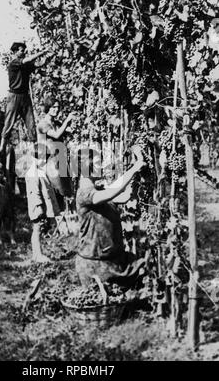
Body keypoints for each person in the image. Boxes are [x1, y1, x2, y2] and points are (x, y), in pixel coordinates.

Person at [75, 145, 148, 288]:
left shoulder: (97, 189)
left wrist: (135, 171)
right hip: (95, 266)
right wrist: (134, 168)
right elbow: (112, 193)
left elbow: (123, 194)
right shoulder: (84, 193)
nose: (101, 166)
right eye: (97, 163)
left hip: (112, 261)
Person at [0, 42, 50, 154]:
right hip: (14, 96)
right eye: (21, 50)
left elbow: (39, 64)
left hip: (25, 96)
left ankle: (35, 148)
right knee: (9, 123)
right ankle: (1, 148)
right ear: (15, 52)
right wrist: (42, 52)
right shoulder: (14, 63)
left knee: (30, 123)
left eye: (24, 50)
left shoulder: (25, 64)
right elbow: (28, 60)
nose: (24, 52)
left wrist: (49, 55)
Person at [25, 144, 61, 263]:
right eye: (40, 158)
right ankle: (37, 254)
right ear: (33, 158)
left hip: (42, 206)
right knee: (37, 229)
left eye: (45, 159)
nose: (43, 161)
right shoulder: (32, 173)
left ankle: (37, 254)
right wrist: (39, 209)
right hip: (37, 208)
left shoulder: (40, 171)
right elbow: (34, 193)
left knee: (39, 229)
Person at [37, 98, 75, 201]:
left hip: (61, 160)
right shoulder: (42, 124)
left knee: (67, 191)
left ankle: (69, 214)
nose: (57, 109)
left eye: (58, 107)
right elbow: (56, 135)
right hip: (50, 162)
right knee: (58, 192)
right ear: (47, 108)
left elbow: (67, 131)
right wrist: (67, 120)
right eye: (54, 107)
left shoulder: (57, 123)